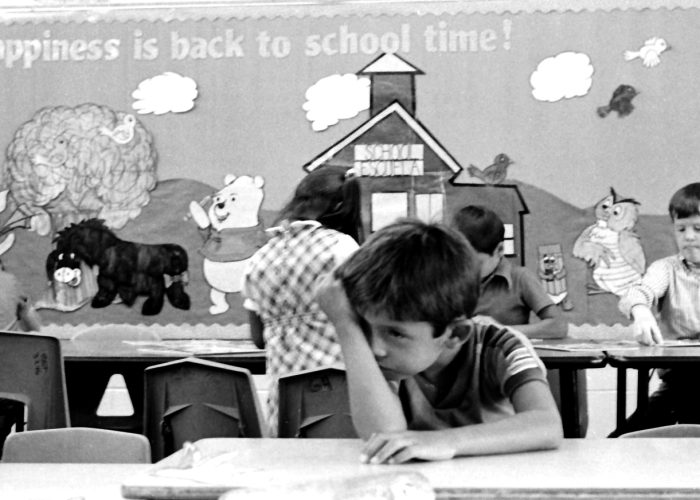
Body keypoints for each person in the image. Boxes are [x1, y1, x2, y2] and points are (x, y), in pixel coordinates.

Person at [315, 219, 562, 464]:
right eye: (364, 327)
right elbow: (382, 434)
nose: (374, 348)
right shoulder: (390, 362)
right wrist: (346, 325)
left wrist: (445, 441)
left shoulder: (500, 345)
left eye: (396, 333)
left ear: (455, 335)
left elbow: (546, 424)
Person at [241, 166, 362, 436]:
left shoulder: (260, 258)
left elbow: (259, 338)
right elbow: (365, 321)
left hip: (285, 406)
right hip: (340, 399)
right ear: (343, 205)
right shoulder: (342, 248)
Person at [614, 182, 700, 434]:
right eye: (681, 228)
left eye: (698, 228)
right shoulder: (666, 268)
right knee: (622, 440)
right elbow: (637, 291)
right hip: (679, 381)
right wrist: (640, 311)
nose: (689, 236)